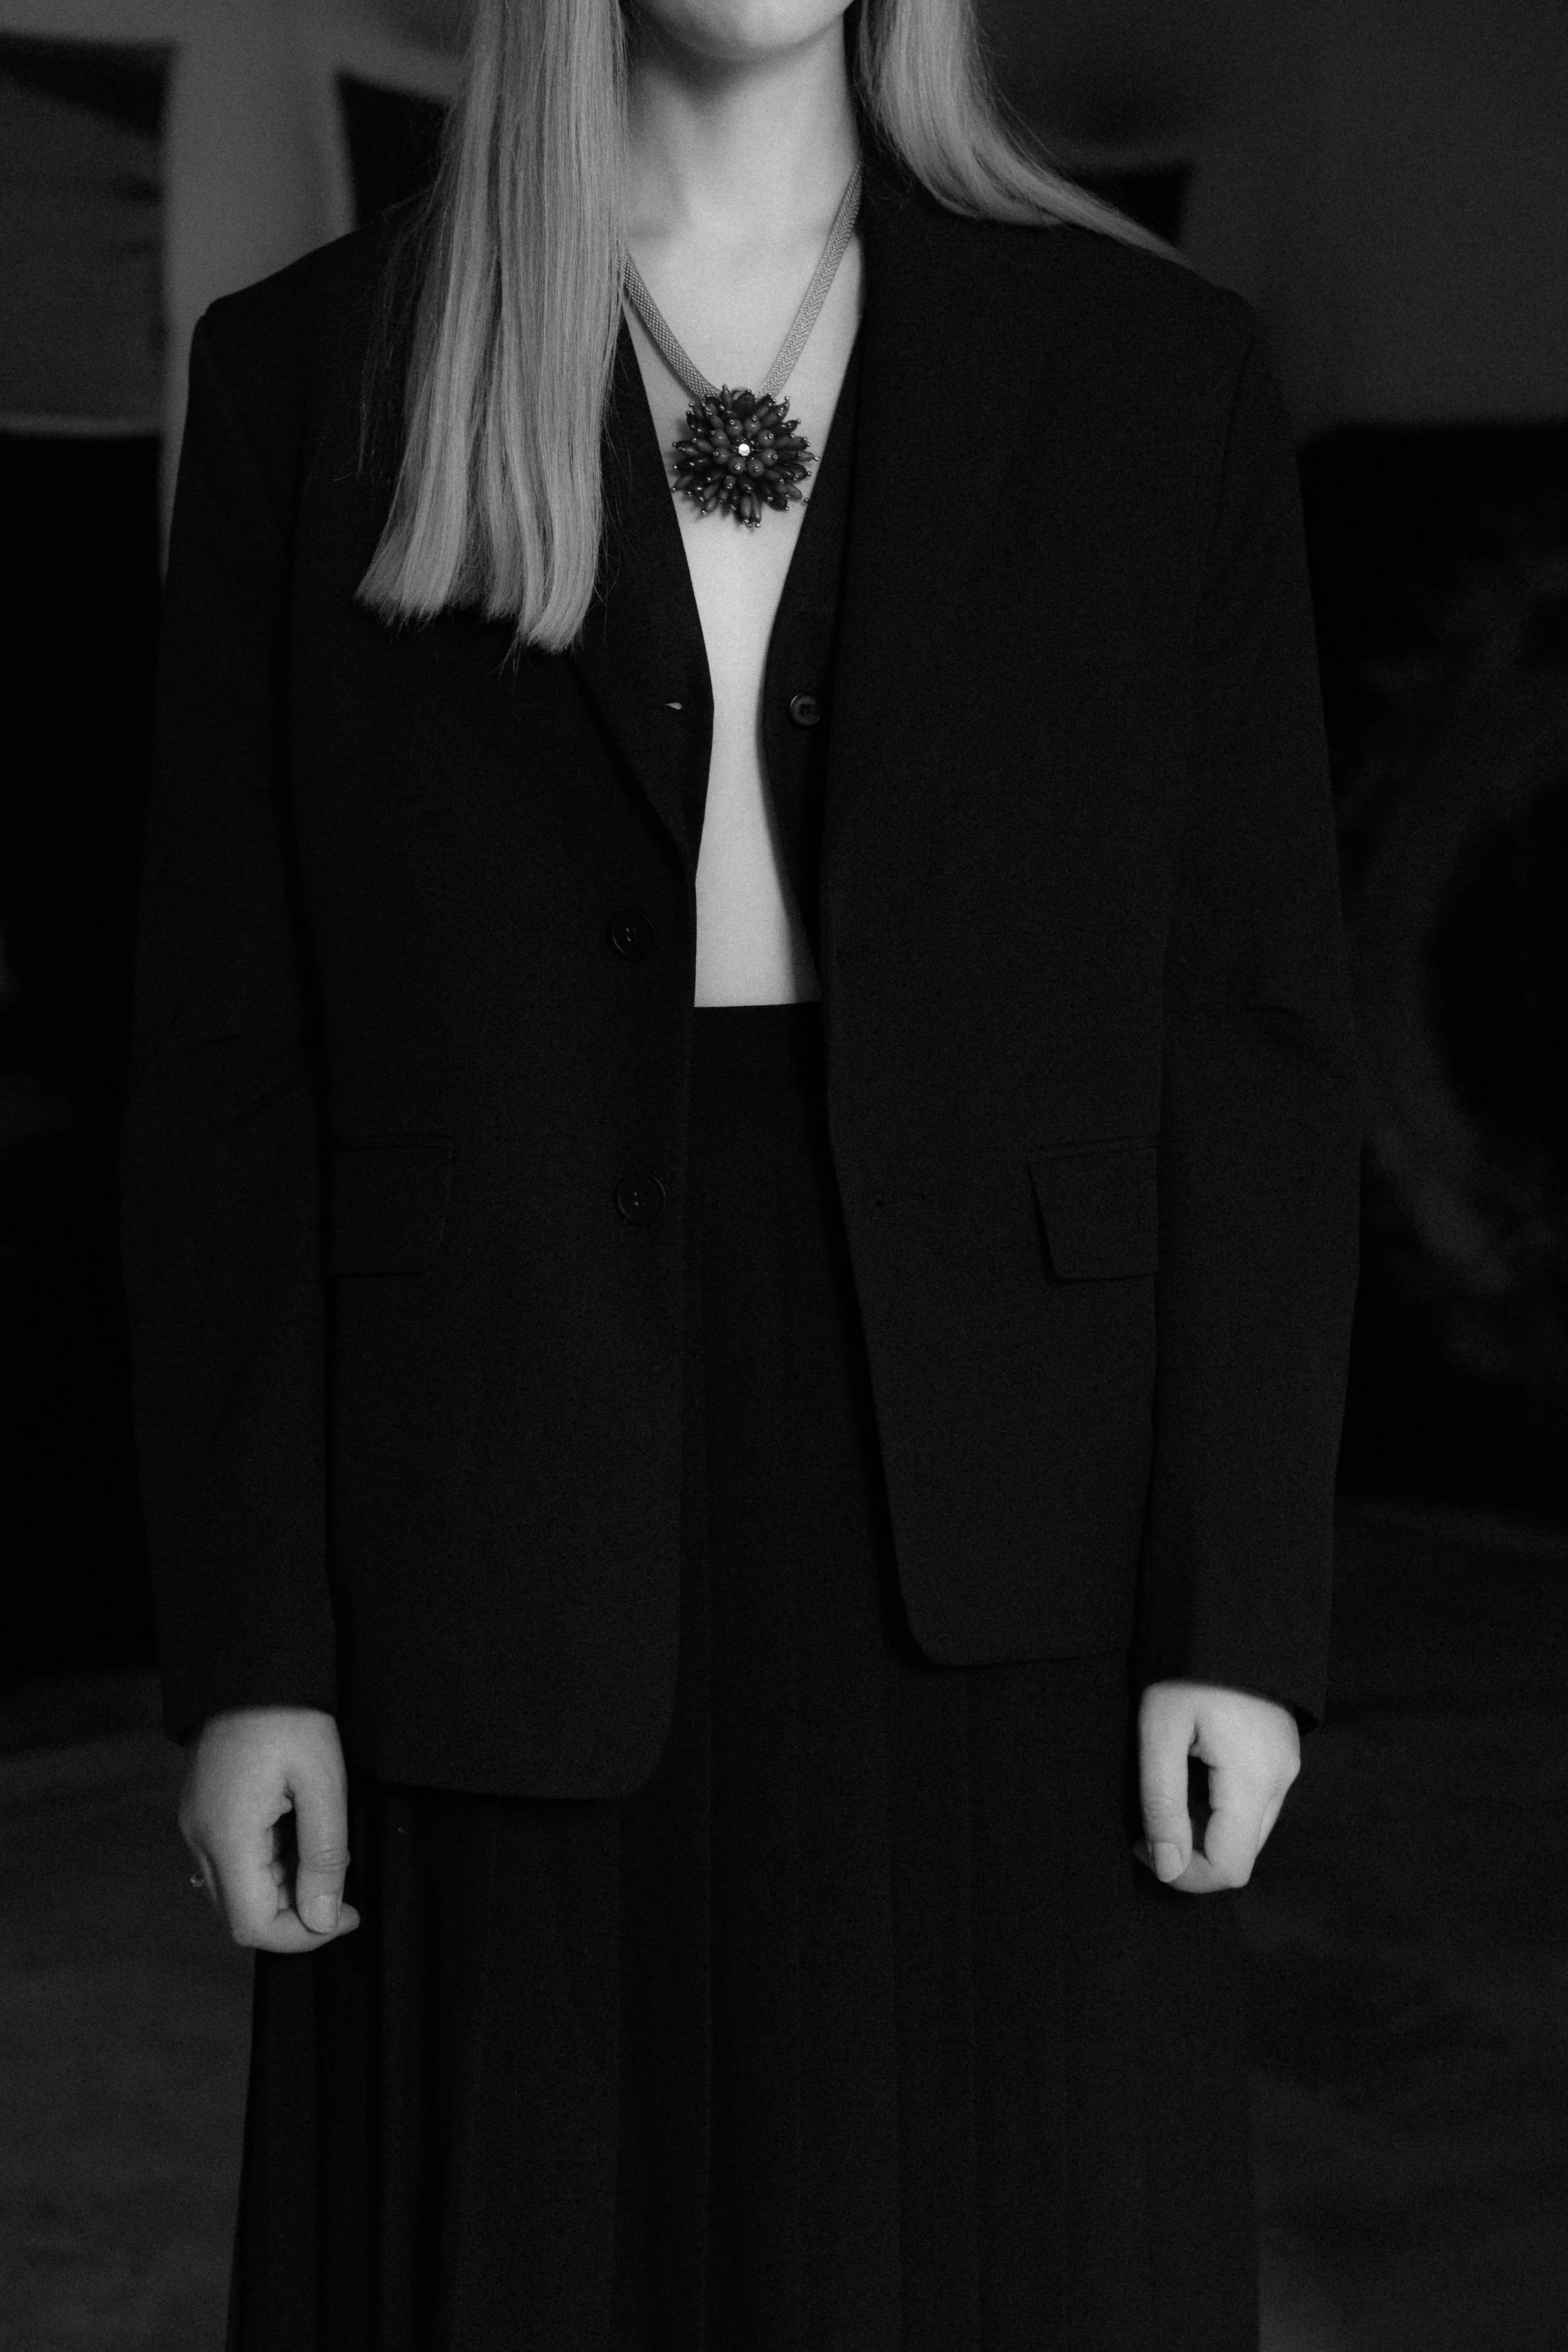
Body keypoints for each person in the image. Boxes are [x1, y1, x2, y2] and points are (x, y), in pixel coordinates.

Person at [121, 0, 1360, 2344]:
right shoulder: (320, 373)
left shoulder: (1148, 377)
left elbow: (1250, 1048)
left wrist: (1240, 1604)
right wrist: (253, 1651)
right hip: (481, 1508)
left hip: (1010, 1521)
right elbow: (223, 1062)